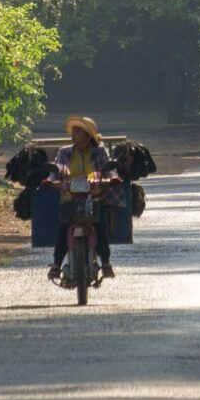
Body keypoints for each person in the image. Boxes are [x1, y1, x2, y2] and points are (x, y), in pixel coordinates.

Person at [45, 115, 119, 284]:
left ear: (87, 135)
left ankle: (106, 263)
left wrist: (112, 178)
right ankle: (56, 264)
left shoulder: (99, 152)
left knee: (100, 225)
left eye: (78, 132)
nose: (74, 135)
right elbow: (58, 170)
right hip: (69, 198)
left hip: (94, 198)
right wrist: (50, 180)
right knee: (63, 227)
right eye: (74, 131)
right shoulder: (65, 152)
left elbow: (108, 170)